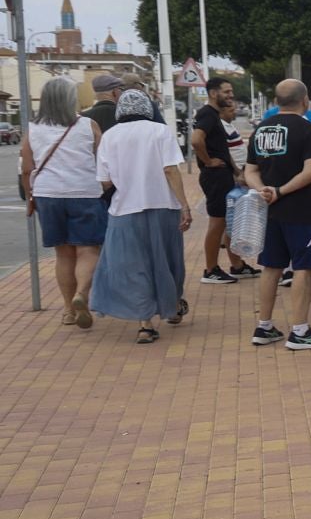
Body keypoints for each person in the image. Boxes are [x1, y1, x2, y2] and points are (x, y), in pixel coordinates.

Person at [89, 89, 192, 343]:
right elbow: (170, 170)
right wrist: (185, 205)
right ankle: (173, 306)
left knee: (134, 267)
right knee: (168, 262)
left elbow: (104, 181)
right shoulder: (160, 131)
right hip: (163, 207)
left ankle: (145, 325)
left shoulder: (110, 136)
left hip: (124, 211)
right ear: (147, 107)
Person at [244, 80, 311, 351]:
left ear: (277, 100)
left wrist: (264, 191)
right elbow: (310, 173)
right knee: (303, 269)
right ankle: (300, 330)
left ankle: (264, 325)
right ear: (305, 99)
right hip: (301, 210)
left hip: (269, 211)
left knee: (271, 267)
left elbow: (249, 170)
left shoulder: (260, 130)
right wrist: (280, 191)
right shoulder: (307, 129)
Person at [19, 77, 105, 328]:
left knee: (63, 253)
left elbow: (27, 169)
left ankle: (68, 310)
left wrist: (30, 197)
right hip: (85, 192)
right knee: (88, 250)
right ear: (70, 99)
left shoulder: (33, 129)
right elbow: (103, 158)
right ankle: (82, 295)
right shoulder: (89, 125)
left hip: (49, 195)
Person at [191, 77, 245, 284]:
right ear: (213, 93)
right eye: (226, 91)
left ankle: (231, 266)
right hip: (214, 177)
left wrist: (235, 170)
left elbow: (222, 149)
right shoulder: (207, 114)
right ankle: (211, 270)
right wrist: (208, 162)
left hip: (222, 175)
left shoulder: (214, 115)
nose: (231, 95)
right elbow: (196, 140)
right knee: (217, 223)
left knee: (223, 222)